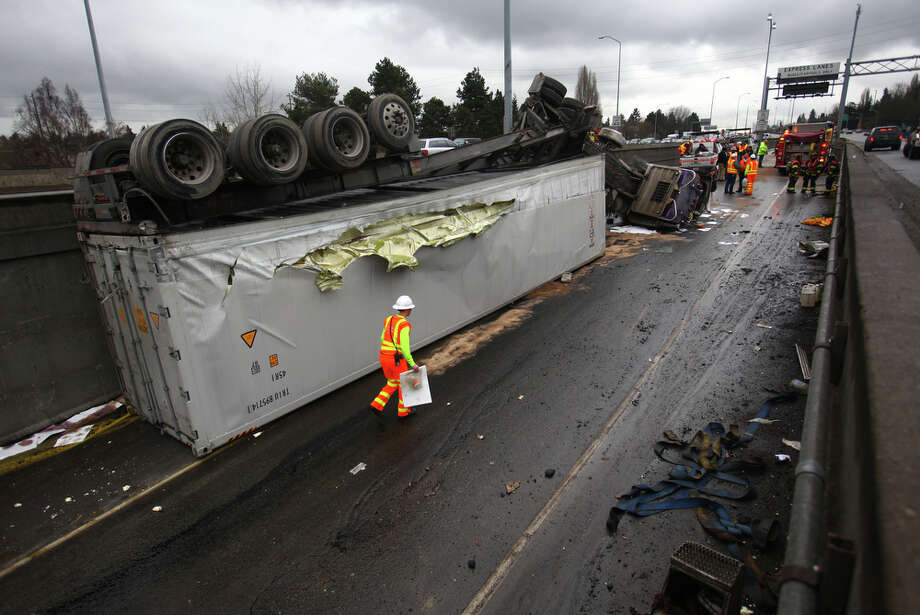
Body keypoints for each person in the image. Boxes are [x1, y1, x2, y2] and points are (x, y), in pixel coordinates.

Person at [369, 295, 420, 420]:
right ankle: (403, 412)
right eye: (410, 308)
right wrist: (412, 364)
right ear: (407, 309)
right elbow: (405, 348)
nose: (411, 310)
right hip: (396, 359)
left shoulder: (389, 319)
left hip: (384, 356)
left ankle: (377, 404)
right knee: (404, 384)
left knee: (392, 382)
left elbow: (382, 338)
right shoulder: (404, 325)